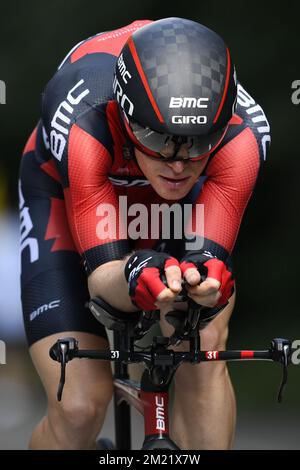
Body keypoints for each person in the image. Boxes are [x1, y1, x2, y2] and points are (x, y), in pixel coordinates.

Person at [19, 17, 270, 449]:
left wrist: (206, 284)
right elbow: (103, 279)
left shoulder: (243, 136)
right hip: (69, 196)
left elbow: (207, 265)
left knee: (203, 342)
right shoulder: (85, 120)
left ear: (221, 125)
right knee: (79, 405)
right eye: (157, 136)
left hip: (177, 208)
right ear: (123, 113)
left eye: (196, 142)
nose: (177, 163)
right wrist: (135, 273)